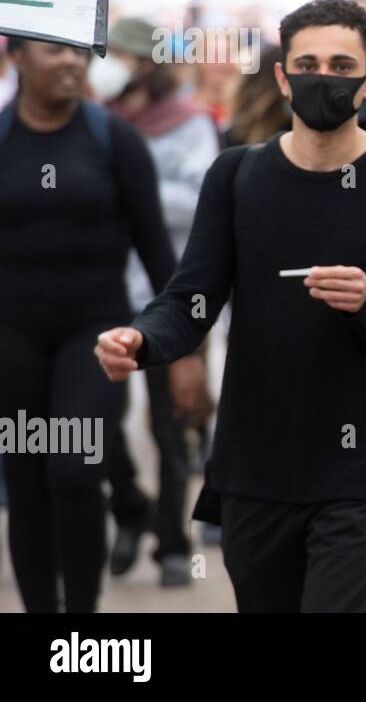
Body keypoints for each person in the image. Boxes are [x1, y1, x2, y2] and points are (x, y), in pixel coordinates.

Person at [93, 0, 366, 612]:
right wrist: (142, 340)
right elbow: (193, 297)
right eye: (307, 63)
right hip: (255, 473)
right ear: (283, 76)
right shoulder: (237, 176)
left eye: (342, 64)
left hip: (363, 477)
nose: (324, 77)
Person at [0, 36, 176, 612]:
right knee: (26, 484)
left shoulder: (114, 139)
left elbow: (156, 249)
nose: (72, 61)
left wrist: (181, 346)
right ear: (17, 58)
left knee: (75, 472)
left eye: (79, 51)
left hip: (95, 336)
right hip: (13, 338)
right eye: (54, 50)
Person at [100, 16, 221, 588]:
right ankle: (127, 505)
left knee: (171, 423)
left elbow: (200, 196)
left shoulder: (189, 121)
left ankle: (172, 541)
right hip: (105, 290)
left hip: (170, 288)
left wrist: (132, 186)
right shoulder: (105, 119)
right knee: (94, 421)